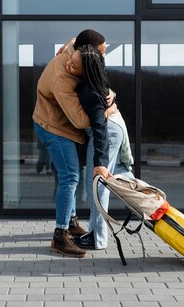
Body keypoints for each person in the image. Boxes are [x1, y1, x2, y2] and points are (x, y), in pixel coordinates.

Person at [32, 29, 111, 258]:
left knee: (66, 175)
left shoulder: (76, 47)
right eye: (102, 53)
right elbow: (80, 119)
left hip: (59, 123)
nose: (104, 58)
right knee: (70, 176)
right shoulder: (62, 80)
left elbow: (76, 39)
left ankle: (72, 220)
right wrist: (107, 107)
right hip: (54, 127)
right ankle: (61, 235)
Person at [64, 42, 134, 251]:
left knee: (97, 185)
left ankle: (98, 238)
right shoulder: (91, 75)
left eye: (73, 65)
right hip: (112, 129)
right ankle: (150, 197)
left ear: (86, 69)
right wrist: (67, 48)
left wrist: (100, 163)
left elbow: (100, 129)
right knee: (115, 177)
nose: (68, 65)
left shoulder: (91, 93)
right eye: (70, 60)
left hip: (107, 133)